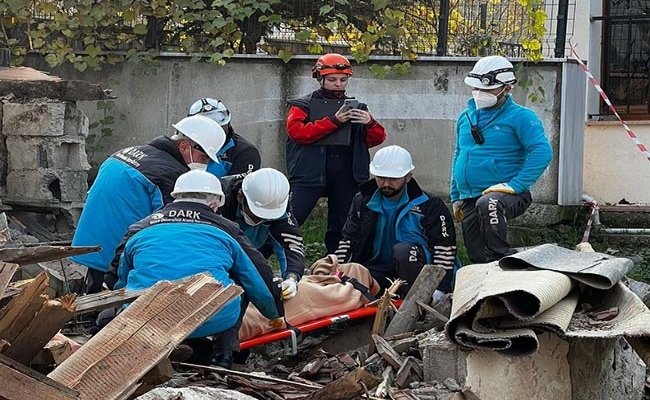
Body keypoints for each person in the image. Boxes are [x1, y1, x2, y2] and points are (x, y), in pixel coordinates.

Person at [108, 170, 284, 367]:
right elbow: (257, 279)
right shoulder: (227, 228)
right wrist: (275, 314)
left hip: (146, 319)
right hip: (212, 320)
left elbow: (119, 278)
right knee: (237, 285)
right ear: (216, 203)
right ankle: (223, 356)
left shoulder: (140, 227)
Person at [70, 115, 227, 294]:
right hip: (116, 259)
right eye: (204, 158)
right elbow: (175, 226)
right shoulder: (170, 174)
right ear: (184, 147)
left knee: (91, 302)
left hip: (89, 247)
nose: (205, 164)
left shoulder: (124, 153)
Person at [451, 55, 553, 263]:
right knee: (476, 255)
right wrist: (455, 195)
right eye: (476, 88)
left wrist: (515, 185)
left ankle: (503, 260)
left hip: (508, 194)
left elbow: (542, 152)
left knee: (489, 202)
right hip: (470, 196)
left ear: (507, 88)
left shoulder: (522, 117)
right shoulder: (465, 118)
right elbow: (459, 154)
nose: (480, 93)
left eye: (487, 89)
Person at [285, 53, 386, 254]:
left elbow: (377, 138)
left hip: (346, 174)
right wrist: (335, 121)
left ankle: (338, 265)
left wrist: (369, 123)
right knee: (291, 217)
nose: (338, 84)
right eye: (332, 80)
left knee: (342, 225)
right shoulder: (302, 105)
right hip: (309, 173)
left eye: (342, 79)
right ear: (319, 78)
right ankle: (268, 255)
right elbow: (298, 133)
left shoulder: (357, 107)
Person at [335, 145, 458, 298]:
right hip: (376, 269)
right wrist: (337, 269)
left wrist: (440, 288)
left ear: (408, 177)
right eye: (380, 177)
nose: (386, 183)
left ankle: (418, 300)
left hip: (417, 270)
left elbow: (444, 249)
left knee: (403, 251)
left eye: (393, 178)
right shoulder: (362, 201)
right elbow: (348, 240)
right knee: (351, 282)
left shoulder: (429, 204)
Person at [220, 168, 305, 301]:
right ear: (240, 196)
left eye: (266, 218)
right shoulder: (220, 198)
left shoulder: (276, 202)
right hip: (220, 249)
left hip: (256, 249)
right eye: (256, 215)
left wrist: (291, 278)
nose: (260, 221)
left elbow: (290, 244)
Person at [188, 98, 261, 178]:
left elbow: (237, 187)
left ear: (228, 124)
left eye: (219, 127)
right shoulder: (183, 147)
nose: (213, 133)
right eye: (205, 128)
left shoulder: (245, 152)